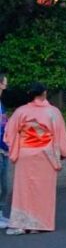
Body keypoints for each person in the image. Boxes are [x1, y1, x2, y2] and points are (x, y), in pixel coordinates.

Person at [3, 82, 66, 235]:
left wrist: (14, 148)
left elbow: (9, 133)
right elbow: (60, 135)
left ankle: (22, 224)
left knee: (24, 189)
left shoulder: (21, 111)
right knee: (43, 190)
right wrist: (62, 152)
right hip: (46, 154)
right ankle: (40, 224)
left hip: (25, 153)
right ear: (45, 93)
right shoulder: (53, 112)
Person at [0, 72, 9, 229]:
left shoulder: (1, 104)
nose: (6, 85)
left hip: (4, 148)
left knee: (5, 185)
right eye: (5, 82)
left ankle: (0, 213)